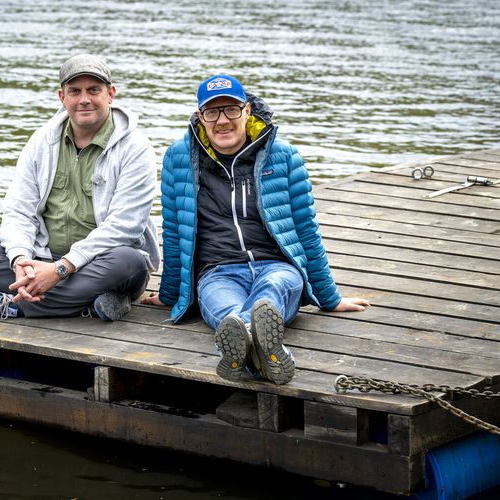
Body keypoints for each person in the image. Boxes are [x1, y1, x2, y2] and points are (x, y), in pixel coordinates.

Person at [142, 74, 369, 385]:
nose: (222, 121)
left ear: (247, 111)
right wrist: (170, 295)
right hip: (216, 271)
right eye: (212, 112)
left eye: (231, 110)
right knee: (226, 309)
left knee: (272, 291)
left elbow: (305, 229)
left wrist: (329, 298)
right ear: (200, 118)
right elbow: (174, 230)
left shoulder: (283, 155)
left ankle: (245, 349)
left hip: (277, 265)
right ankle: (269, 353)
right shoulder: (179, 158)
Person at [0, 54, 160, 321]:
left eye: (93, 90)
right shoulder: (42, 140)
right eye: (75, 91)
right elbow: (19, 210)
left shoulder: (136, 147)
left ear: (110, 94)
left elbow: (125, 227)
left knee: (128, 261)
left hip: (103, 262)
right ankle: (88, 305)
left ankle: (14, 306)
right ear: (62, 97)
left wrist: (60, 270)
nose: (84, 99)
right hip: (45, 255)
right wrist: (21, 261)